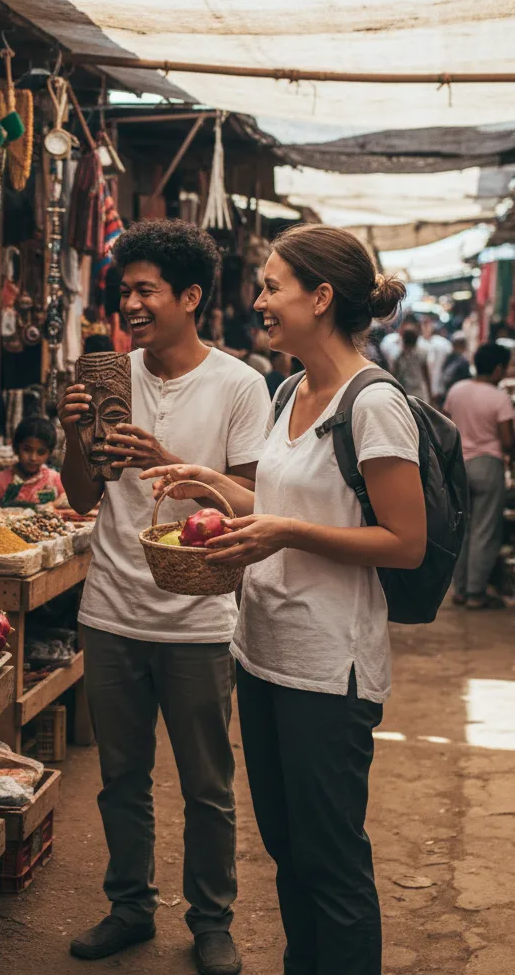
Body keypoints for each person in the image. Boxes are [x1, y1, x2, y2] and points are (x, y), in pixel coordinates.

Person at [143, 224, 426, 975]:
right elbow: (270, 499)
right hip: (263, 654)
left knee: (330, 864)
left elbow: (405, 541)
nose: (258, 300)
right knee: (289, 853)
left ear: (321, 297)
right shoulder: (292, 389)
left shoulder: (373, 403)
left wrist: (287, 533)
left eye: (272, 286)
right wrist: (204, 480)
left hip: (330, 671)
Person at [59, 218, 269, 975]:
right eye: (126, 290)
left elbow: (252, 499)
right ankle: (130, 907)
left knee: (207, 785)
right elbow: (85, 498)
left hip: (199, 616)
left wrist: (168, 460)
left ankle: (211, 919)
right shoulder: (109, 376)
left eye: (147, 290)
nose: (132, 303)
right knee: (122, 777)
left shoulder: (240, 385)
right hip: (111, 608)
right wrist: (69, 434)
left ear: (190, 296)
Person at [444, 341, 514, 609]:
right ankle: (475, 593)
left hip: (459, 465)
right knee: (484, 530)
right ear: (497, 369)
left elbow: (445, 424)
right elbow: (507, 441)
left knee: (462, 529)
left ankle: (459, 590)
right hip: (487, 465)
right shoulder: (500, 398)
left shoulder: (457, 390)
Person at [0, 415, 65, 506]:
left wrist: (54, 504)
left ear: (49, 453)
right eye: (27, 450)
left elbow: (67, 501)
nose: (33, 458)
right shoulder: (0, 482)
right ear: (16, 448)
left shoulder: (54, 479)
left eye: (41, 452)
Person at [391, 315, 432, 400]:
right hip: (419, 391)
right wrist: (430, 392)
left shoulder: (398, 356)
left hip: (404, 392)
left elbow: (394, 375)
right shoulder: (422, 353)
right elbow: (426, 375)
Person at [422, 317, 453, 404]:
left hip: (440, 385)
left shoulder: (443, 343)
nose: (426, 327)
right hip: (425, 389)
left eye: (427, 324)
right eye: (424, 325)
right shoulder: (420, 343)